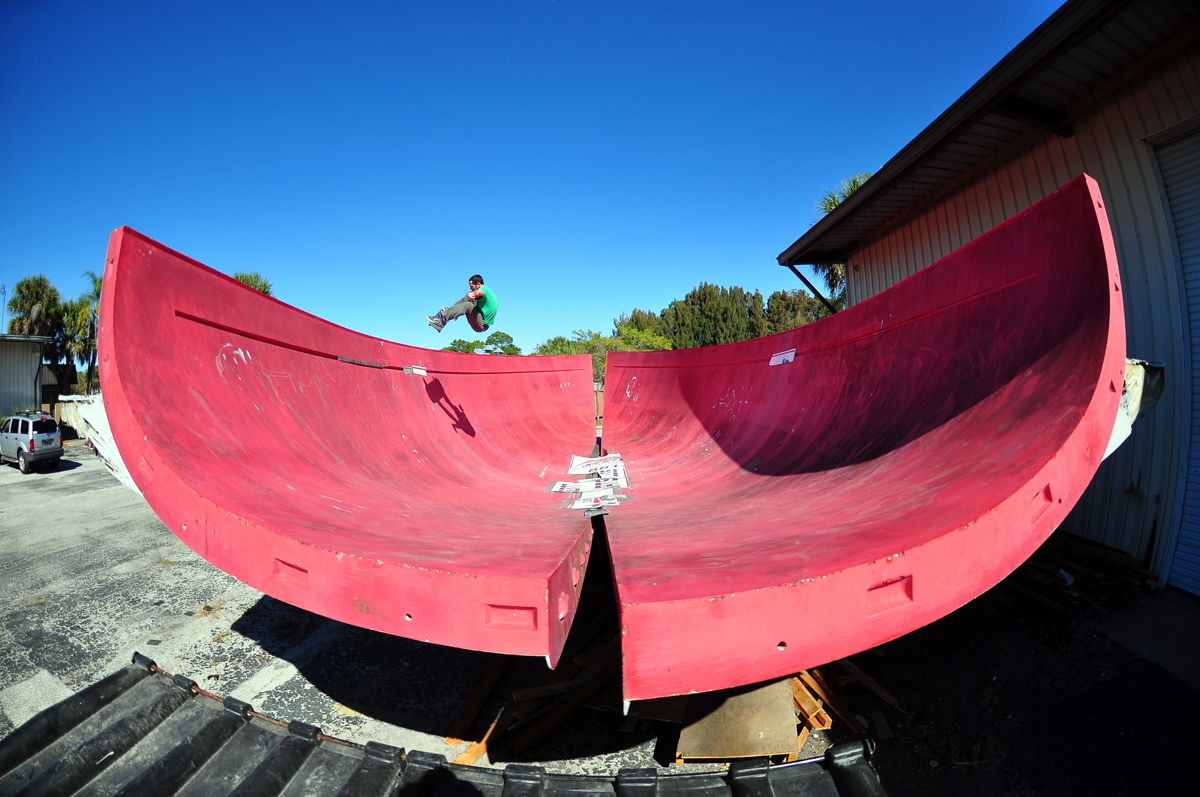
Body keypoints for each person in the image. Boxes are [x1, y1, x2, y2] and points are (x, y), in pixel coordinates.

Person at [428, 275, 497, 333]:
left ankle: (443, 317)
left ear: (478, 284)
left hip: (482, 325)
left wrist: (472, 293)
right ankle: (448, 313)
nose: (470, 288)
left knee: (468, 305)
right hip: (479, 316)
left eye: (472, 286)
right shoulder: (486, 291)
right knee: (469, 298)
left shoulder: (484, 289)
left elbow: (480, 292)